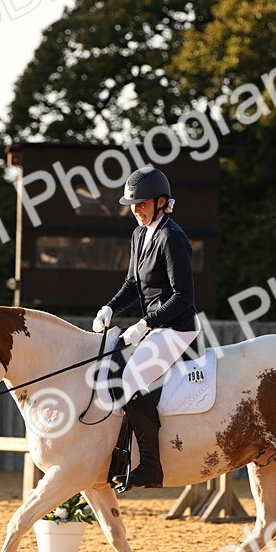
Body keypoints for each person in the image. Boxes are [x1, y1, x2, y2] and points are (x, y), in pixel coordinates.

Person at [91, 165, 198, 489]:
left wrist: (143, 324)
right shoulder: (140, 234)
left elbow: (183, 296)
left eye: (142, 204)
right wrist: (110, 307)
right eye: (133, 205)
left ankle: (151, 466)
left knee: (129, 378)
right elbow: (133, 285)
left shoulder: (172, 237)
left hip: (177, 328)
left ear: (161, 202)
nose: (136, 210)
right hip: (154, 328)